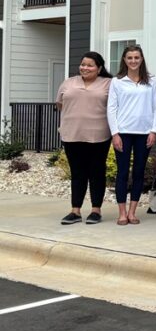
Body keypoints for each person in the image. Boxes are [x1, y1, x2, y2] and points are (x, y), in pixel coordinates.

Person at [56, 52, 113, 225]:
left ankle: (96, 210)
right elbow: (60, 104)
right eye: (83, 64)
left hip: (99, 135)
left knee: (97, 172)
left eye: (90, 65)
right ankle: (75, 211)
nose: (85, 68)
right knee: (77, 173)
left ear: (99, 68)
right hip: (72, 134)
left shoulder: (108, 84)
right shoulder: (69, 82)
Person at [106, 45, 156, 226]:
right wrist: (115, 133)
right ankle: (121, 212)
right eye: (130, 58)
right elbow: (111, 109)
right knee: (122, 173)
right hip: (123, 133)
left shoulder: (151, 81)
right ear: (124, 60)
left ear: (142, 59)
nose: (133, 61)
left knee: (138, 172)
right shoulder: (117, 81)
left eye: (137, 57)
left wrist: (154, 130)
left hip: (144, 134)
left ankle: (132, 212)